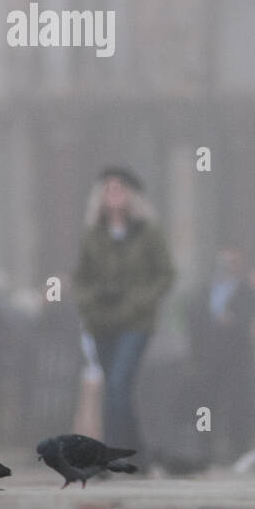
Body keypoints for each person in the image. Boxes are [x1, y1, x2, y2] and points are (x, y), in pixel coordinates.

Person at [72, 167, 175, 469]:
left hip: (135, 322)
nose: (113, 195)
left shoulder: (149, 232)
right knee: (117, 389)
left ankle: (110, 454)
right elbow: (81, 277)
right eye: (108, 189)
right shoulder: (92, 234)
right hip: (101, 321)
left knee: (118, 383)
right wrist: (90, 302)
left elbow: (165, 274)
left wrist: (140, 300)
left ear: (131, 195)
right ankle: (138, 453)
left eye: (119, 189)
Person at [186, 246, 255, 463]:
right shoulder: (204, 290)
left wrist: (234, 321)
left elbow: (251, 319)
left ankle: (238, 449)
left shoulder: (247, 291)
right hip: (209, 355)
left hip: (237, 355)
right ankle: (205, 447)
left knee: (238, 402)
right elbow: (194, 318)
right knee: (206, 403)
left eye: (232, 263)